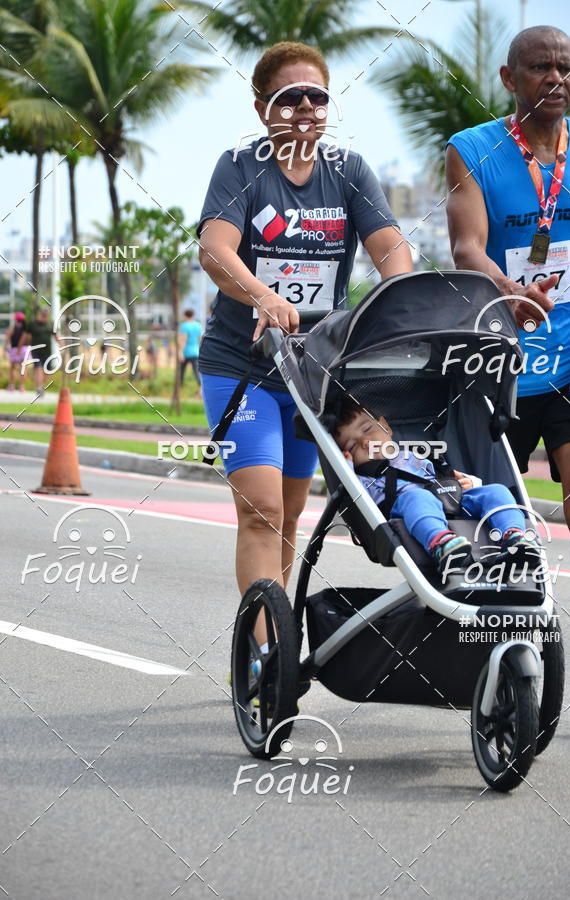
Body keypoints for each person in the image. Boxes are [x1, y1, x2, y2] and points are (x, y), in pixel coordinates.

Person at [197, 41, 413, 606]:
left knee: (290, 513)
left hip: (313, 368)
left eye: (316, 97)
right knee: (262, 509)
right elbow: (215, 250)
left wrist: (395, 297)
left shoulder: (348, 171)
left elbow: (390, 245)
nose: (305, 109)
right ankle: (266, 652)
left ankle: (266, 638)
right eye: (289, 98)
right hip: (242, 367)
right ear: (262, 109)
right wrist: (263, 296)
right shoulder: (241, 167)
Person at [445, 25, 570, 735]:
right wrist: (507, 288)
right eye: (541, 68)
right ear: (511, 77)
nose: (557, 79)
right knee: (494, 529)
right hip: (501, 364)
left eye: (566, 68)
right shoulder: (473, 150)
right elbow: (466, 245)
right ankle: (497, 664)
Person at [332, 397, 539, 574]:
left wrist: (468, 483)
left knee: (496, 491)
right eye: (353, 446)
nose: (366, 443)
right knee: (418, 497)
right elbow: (355, 492)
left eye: (368, 430)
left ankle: (514, 537)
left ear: (385, 426)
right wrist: (346, 467)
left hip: (451, 500)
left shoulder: (416, 455)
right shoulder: (364, 478)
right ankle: (441, 544)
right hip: (409, 508)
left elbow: (445, 476)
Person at [23, 307, 54, 396]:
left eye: (46, 314)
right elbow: (26, 336)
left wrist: (63, 345)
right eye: (43, 314)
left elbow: (57, 336)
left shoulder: (50, 324)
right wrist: (22, 346)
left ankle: (40, 384)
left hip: (48, 352)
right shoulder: (33, 324)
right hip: (36, 351)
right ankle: (39, 388)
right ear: (40, 314)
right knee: (39, 368)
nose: (44, 316)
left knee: (47, 371)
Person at [178, 308, 203, 390]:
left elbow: (183, 340)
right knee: (196, 371)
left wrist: (180, 352)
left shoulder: (184, 326)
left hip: (186, 352)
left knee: (181, 371)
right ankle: (201, 387)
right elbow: (200, 339)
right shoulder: (198, 325)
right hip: (196, 351)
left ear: (185, 315)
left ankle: (180, 388)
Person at [4, 311, 27, 391]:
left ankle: (11, 386)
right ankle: (22, 386)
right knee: (23, 369)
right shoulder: (26, 330)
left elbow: (7, 340)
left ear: (15, 320)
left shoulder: (12, 329)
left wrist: (4, 350)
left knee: (12, 369)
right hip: (24, 350)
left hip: (14, 350)